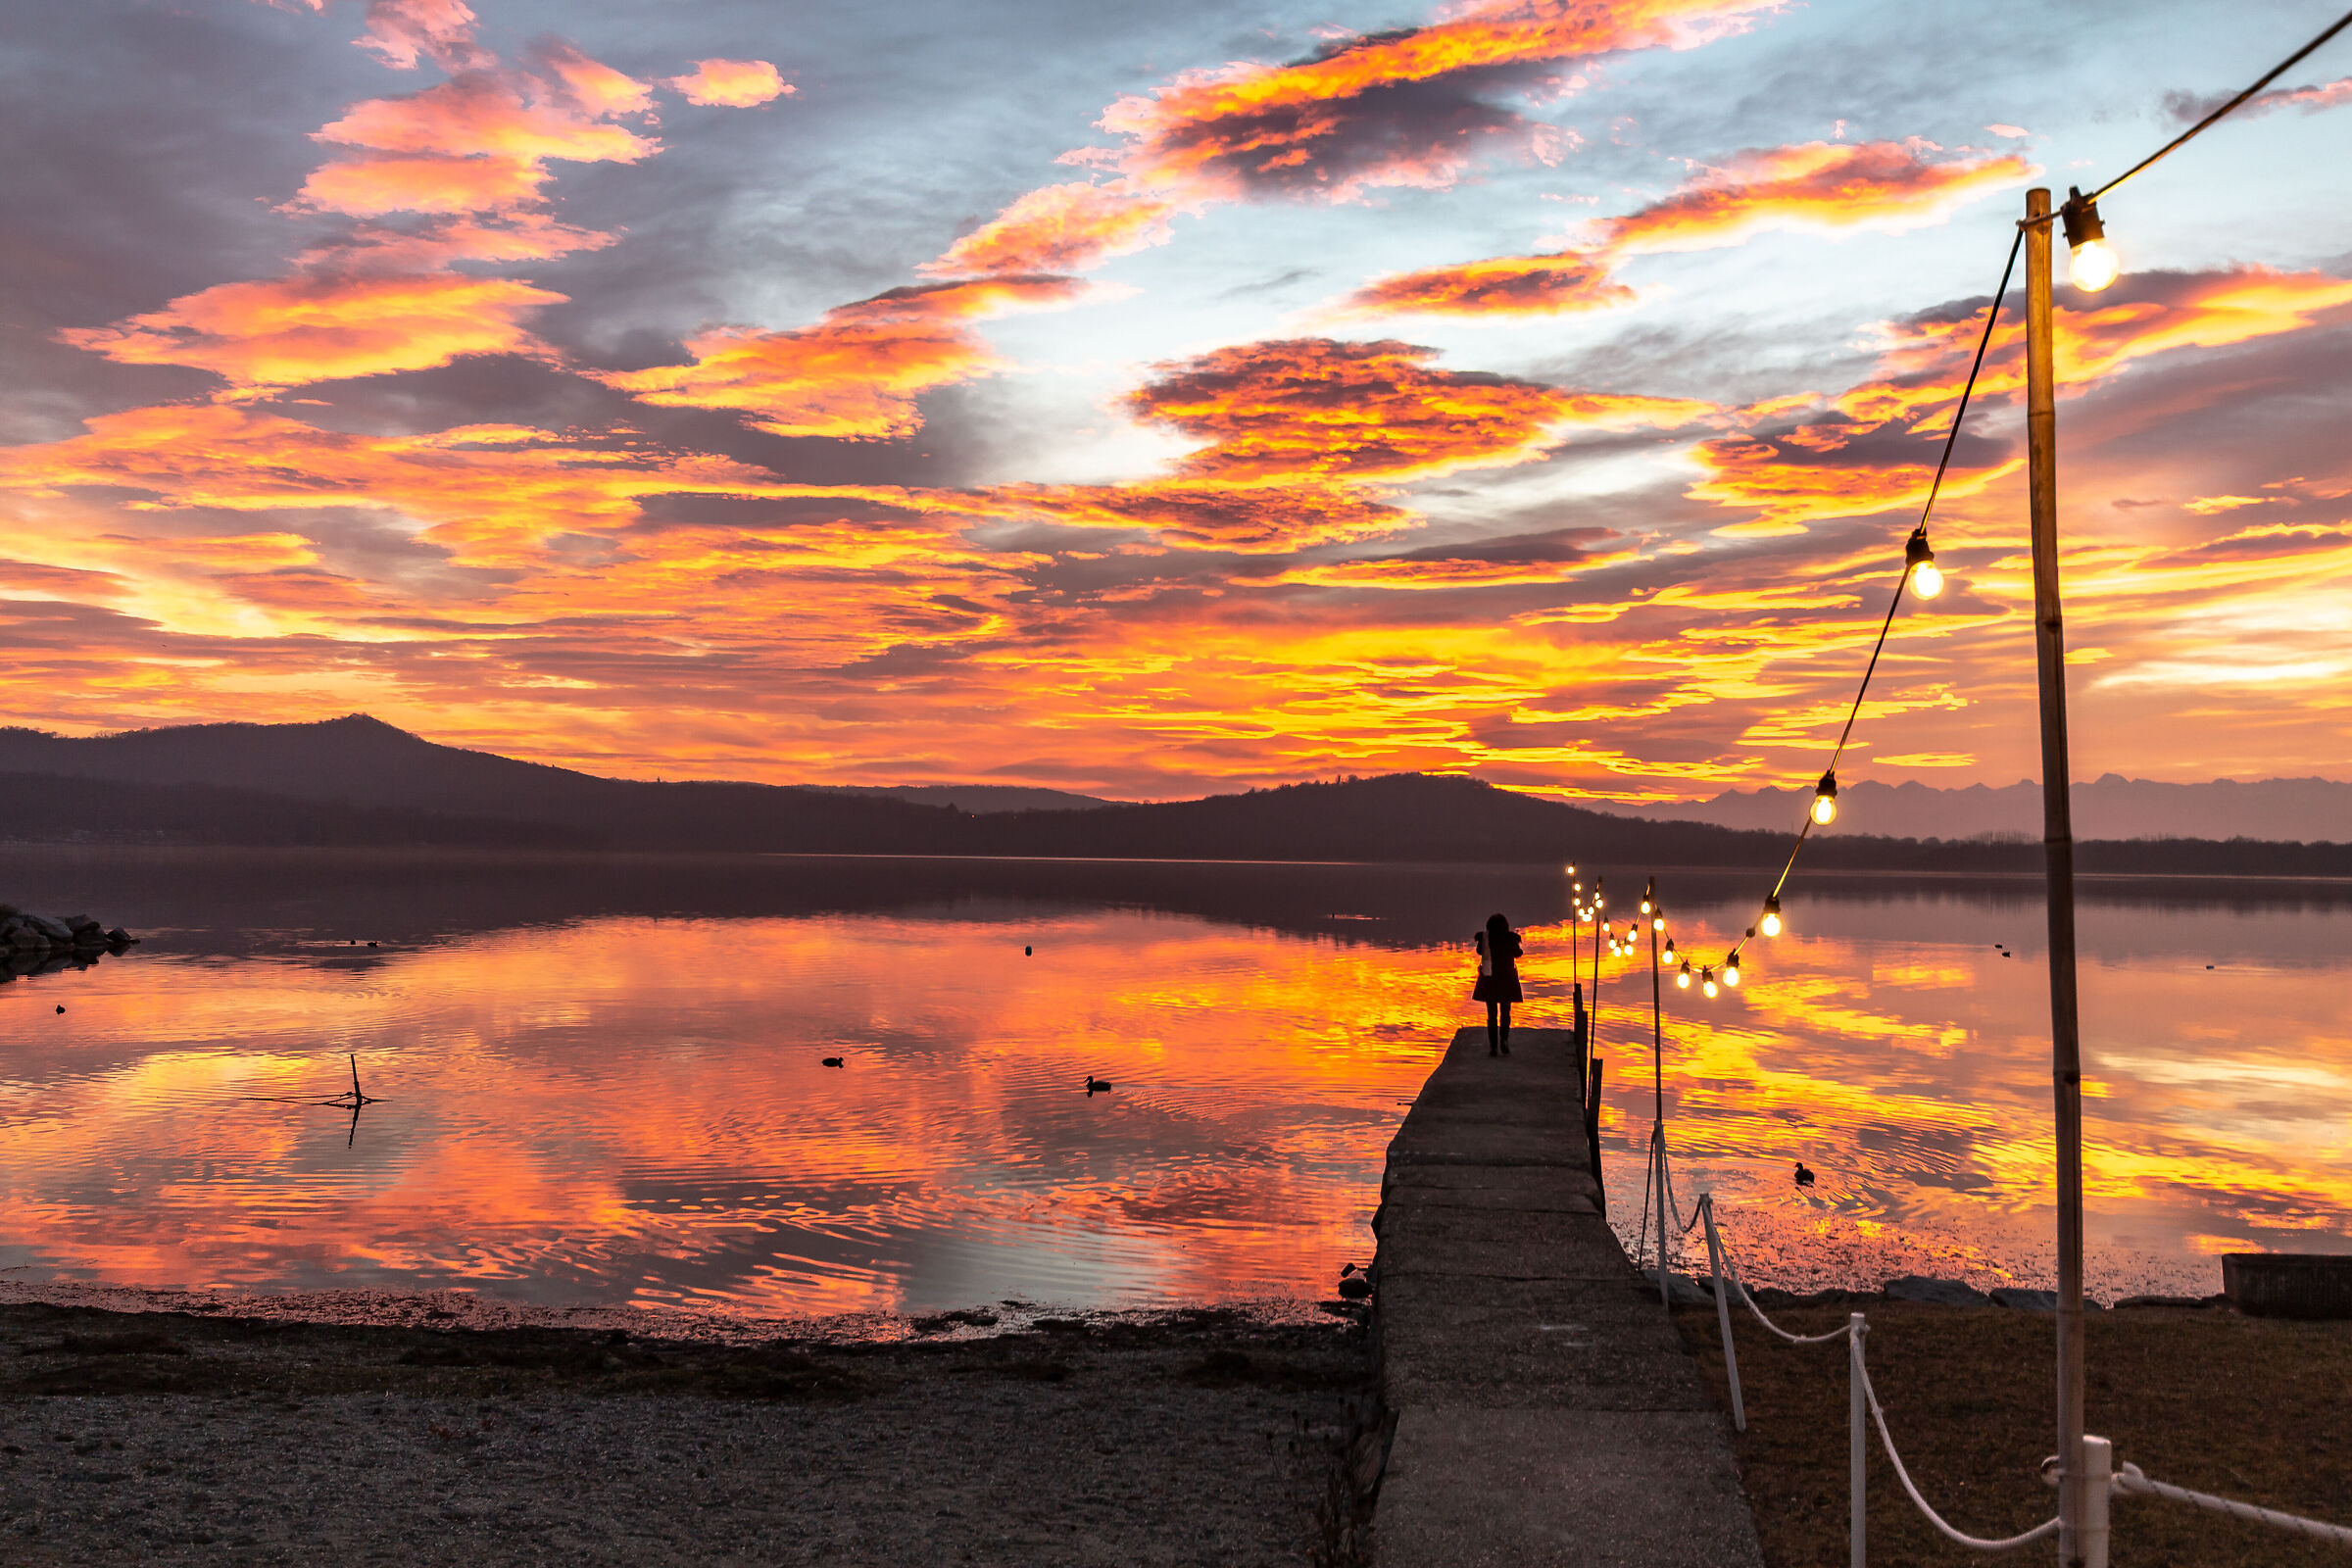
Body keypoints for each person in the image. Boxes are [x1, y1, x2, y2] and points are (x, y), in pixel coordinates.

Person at [1473, 912, 1523, 1055]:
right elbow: (1518, 953)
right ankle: (1504, 1040)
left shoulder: (1485, 938)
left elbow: (1479, 952)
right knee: (1505, 1012)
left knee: (1492, 1014)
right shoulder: (1510, 938)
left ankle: (1493, 1046)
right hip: (1507, 979)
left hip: (1489, 979)